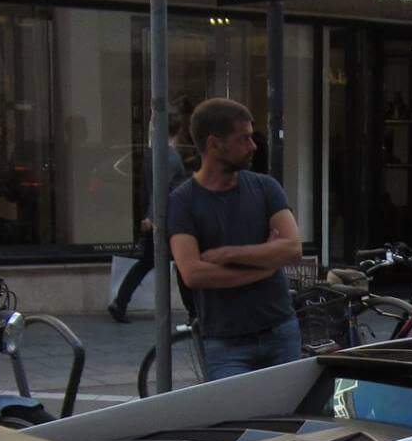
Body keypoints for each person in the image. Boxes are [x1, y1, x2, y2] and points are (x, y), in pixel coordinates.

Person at [167, 97, 302, 379]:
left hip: (280, 330)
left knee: (288, 420)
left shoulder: (266, 187)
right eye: (244, 139)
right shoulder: (183, 201)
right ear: (215, 144)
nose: (253, 146)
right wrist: (266, 263)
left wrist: (229, 255)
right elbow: (194, 273)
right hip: (225, 343)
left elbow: (292, 249)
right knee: (234, 420)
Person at [107, 108, 189, 323]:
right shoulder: (169, 156)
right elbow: (159, 190)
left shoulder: (153, 153)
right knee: (181, 262)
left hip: (162, 217)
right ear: (179, 130)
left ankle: (120, 302)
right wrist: (151, 217)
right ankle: (194, 311)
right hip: (168, 219)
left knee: (148, 262)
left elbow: (150, 188)